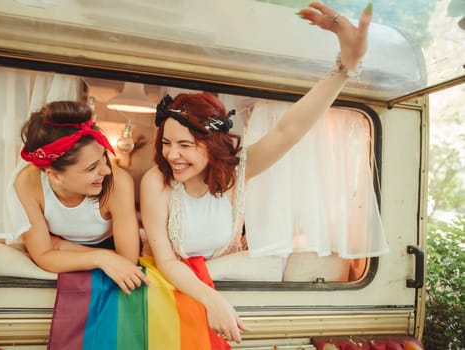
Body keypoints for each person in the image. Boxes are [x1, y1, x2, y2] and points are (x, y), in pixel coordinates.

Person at [140, 1, 373, 345]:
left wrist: (343, 69)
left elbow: (289, 131)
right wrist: (213, 300)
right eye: (167, 143)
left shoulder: (236, 172)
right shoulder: (155, 182)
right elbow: (166, 261)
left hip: (219, 291)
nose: (172, 155)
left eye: (185, 145)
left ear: (212, 145)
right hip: (168, 295)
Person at [13, 100, 150, 294]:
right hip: (71, 247)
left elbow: (127, 260)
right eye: (92, 167)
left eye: (104, 157)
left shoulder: (119, 183)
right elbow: (43, 256)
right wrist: (103, 258)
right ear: (54, 175)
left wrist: (62, 247)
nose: (106, 170)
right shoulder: (27, 183)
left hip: (101, 244)